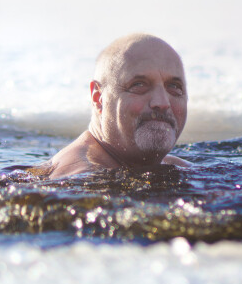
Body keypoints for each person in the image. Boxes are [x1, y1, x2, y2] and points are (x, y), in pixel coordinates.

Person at [44, 33, 190, 179]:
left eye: (174, 86)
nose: (162, 103)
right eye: (139, 85)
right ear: (98, 98)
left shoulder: (175, 165)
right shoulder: (82, 182)